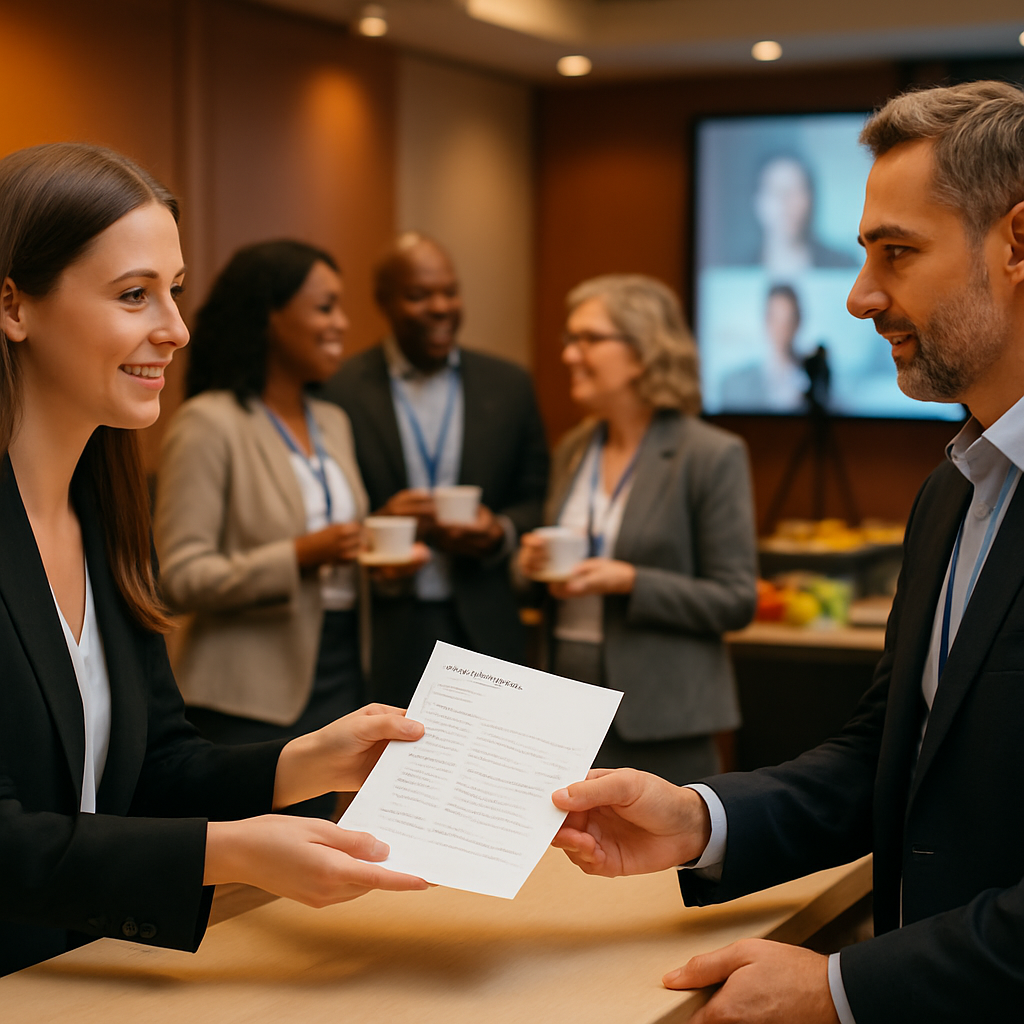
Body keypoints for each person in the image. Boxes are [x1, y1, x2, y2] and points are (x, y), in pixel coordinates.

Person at [550, 80, 1024, 1023]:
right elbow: (886, 757)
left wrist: (841, 986)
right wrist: (696, 819)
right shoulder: (953, 492)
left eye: (898, 252)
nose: (859, 297)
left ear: (1017, 244)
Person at [0, 142, 429, 978]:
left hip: (74, 976)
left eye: (175, 290)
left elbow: (155, 768)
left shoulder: (105, 514)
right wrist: (225, 851)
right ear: (13, 305)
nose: (176, 329)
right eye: (134, 295)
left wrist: (308, 760)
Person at [154, 240, 401, 819]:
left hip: (342, 670)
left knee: (327, 845)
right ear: (270, 315)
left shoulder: (333, 421)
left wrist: (379, 554)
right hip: (247, 696)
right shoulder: (209, 423)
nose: (342, 323)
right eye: (325, 307)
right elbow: (177, 576)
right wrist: (298, 556)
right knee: (259, 859)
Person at [518, 275, 757, 784]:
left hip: (660, 717)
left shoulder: (709, 455)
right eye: (570, 339)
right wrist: (530, 566)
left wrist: (628, 580)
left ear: (643, 352)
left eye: (589, 339)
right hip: (561, 705)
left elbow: (735, 600)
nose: (570, 355)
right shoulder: (574, 448)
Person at [322, 232, 549, 706]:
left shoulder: (509, 385)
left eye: (450, 291)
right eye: (419, 295)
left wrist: (498, 531)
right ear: (384, 301)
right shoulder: (338, 390)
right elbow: (325, 506)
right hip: (385, 626)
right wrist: (383, 525)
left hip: (486, 622)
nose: (441, 307)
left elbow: (537, 497)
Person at [753, 154, 858, 276]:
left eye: (793, 192)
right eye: (774, 191)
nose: (783, 202)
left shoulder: (842, 265)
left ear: (810, 199)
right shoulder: (740, 268)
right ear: (757, 201)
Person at [719, 284, 808, 412]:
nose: (782, 329)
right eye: (775, 319)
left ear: (798, 322)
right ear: (765, 321)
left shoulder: (816, 379)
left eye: (788, 320)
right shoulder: (734, 383)